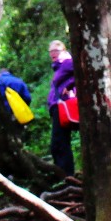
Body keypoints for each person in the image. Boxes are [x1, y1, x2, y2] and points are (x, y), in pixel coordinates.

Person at [46, 40, 76, 177]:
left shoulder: (68, 62)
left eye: (56, 51)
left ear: (63, 51)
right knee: (59, 142)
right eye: (51, 51)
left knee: (59, 143)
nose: (53, 53)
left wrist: (70, 86)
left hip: (63, 106)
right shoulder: (59, 67)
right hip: (57, 107)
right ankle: (63, 175)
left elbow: (83, 71)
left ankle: (66, 175)